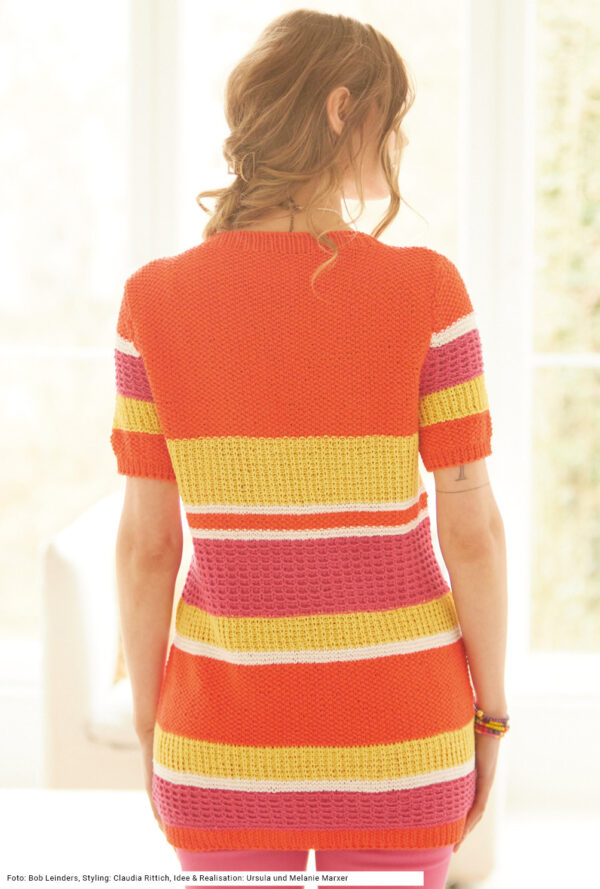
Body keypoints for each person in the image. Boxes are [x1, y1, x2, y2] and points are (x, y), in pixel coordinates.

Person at [111, 10, 509, 889]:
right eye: (393, 117)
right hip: (401, 745)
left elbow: (147, 547)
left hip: (220, 748)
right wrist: (492, 718)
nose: (400, 139)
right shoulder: (427, 290)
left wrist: (150, 721)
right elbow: (473, 533)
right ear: (341, 108)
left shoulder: (154, 302)